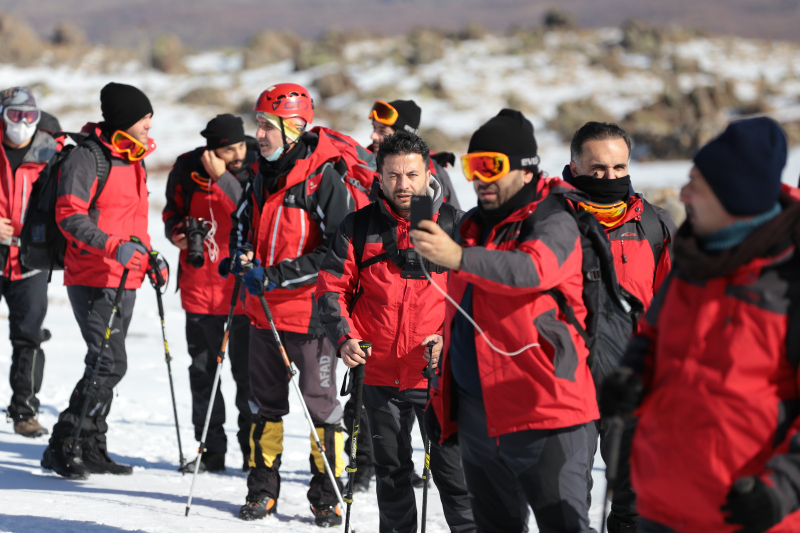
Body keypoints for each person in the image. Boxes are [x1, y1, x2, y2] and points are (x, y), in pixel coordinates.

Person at [601, 117, 800, 532]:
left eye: (697, 185)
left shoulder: (788, 280)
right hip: (661, 501)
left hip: (744, 513)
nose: (683, 194)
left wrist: (781, 490)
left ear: (734, 198)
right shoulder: (694, 258)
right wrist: (634, 374)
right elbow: (654, 335)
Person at [415, 109, 598, 533]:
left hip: (543, 407)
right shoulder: (473, 225)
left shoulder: (555, 218)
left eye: (492, 166)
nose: (480, 178)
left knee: (564, 526)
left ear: (525, 168)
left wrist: (458, 257)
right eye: (472, 166)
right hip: (479, 408)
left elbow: (532, 270)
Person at [317, 130, 476, 533]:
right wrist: (344, 337)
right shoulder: (357, 226)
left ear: (428, 174)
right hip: (379, 373)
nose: (403, 184)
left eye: (411, 174)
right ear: (380, 176)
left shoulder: (456, 226)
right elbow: (332, 288)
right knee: (391, 474)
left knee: (455, 474)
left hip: (436, 374)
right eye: (393, 175)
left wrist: (450, 337)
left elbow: (475, 298)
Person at [230, 83, 352, 527]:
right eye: (257, 124)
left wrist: (276, 275)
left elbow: (335, 253)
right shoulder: (260, 174)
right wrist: (239, 255)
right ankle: (262, 491)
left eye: (267, 126)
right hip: (263, 313)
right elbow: (241, 224)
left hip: (312, 318)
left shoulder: (323, 179)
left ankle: (326, 496)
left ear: (294, 128)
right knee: (265, 407)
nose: (258, 134)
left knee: (321, 408)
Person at [41, 82, 163, 479]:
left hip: (125, 277)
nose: (149, 125)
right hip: (92, 276)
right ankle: (64, 444)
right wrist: (112, 247)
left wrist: (151, 258)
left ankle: (92, 444)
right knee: (108, 362)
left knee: (108, 364)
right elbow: (69, 215)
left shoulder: (135, 158)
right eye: (144, 118)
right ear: (126, 120)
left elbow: (131, 223)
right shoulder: (87, 159)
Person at [564, 121, 676, 533]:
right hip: (566, 384)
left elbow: (674, 309)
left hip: (632, 384)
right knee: (566, 502)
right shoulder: (552, 224)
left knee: (633, 502)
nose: (610, 177)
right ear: (574, 169)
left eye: (618, 167)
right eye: (598, 170)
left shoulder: (655, 226)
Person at [163, 114, 256, 473]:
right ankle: (211, 450)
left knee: (247, 377)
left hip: (244, 292)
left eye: (240, 146)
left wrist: (222, 177)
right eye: (227, 149)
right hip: (199, 288)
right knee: (203, 373)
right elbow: (172, 210)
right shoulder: (187, 166)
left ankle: (252, 454)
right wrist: (176, 233)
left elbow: (252, 213)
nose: (237, 153)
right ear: (210, 149)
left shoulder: (257, 167)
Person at [0, 87, 57, 438]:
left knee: (28, 337)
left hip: (31, 258)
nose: (22, 124)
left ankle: (24, 411)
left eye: (30, 117)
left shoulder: (51, 152)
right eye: (14, 116)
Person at [367, 99, 460, 208]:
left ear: (403, 136)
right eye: (374, 128)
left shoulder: (436, 169)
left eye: (382, 131)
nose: (373, 136)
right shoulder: (357, 166)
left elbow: (456, 220)